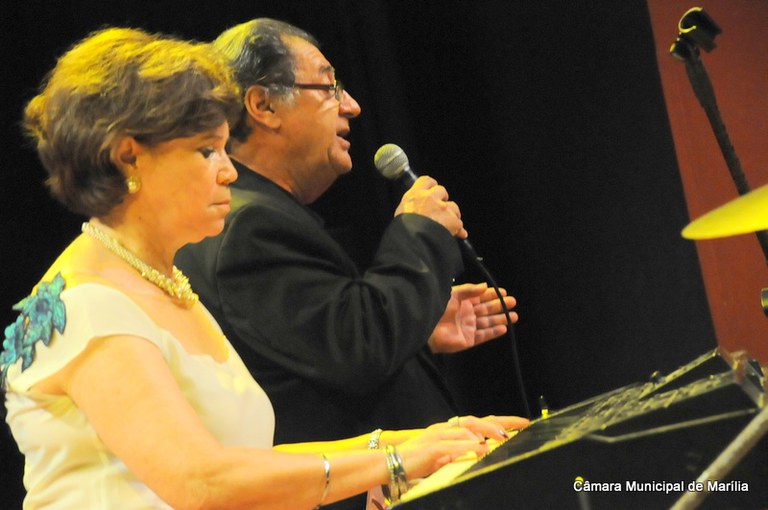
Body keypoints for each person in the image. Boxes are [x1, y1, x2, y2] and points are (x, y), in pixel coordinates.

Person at [0, 27, 529, 509]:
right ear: (128, 157)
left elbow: (247, 458)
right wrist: (393, 461)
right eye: (206, 151)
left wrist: (415, 441)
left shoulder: (163, 281)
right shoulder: (87, 303)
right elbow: (200, 482)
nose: (229, 171)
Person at [175, 20, 521, 508]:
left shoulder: (261, 214)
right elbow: (356, 352)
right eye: (329, 86)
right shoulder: (249, 225)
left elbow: (319, 347)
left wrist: (416, 323)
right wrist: (420, 233)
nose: (352, 105)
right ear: (264, 106)